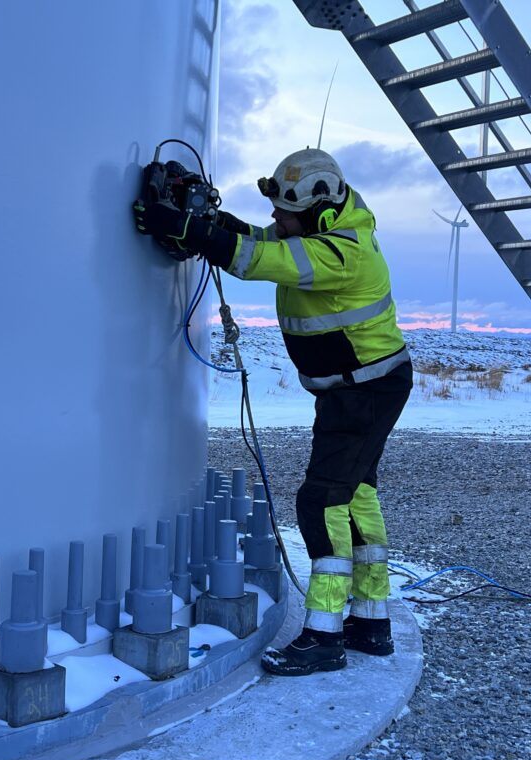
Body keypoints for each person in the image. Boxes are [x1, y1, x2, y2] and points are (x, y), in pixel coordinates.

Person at [133, 148, 412, 676]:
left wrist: (186, 229)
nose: (276, 221)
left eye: (286, 213)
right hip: (361, 387)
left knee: (320, 501)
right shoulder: (321, 229)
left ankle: (324, 636)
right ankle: (372, 624)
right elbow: (260, 241)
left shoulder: (341, 252)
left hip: (364, 391)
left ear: (320, 211)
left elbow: (257, 260)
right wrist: (207, 222)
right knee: (357, 497)